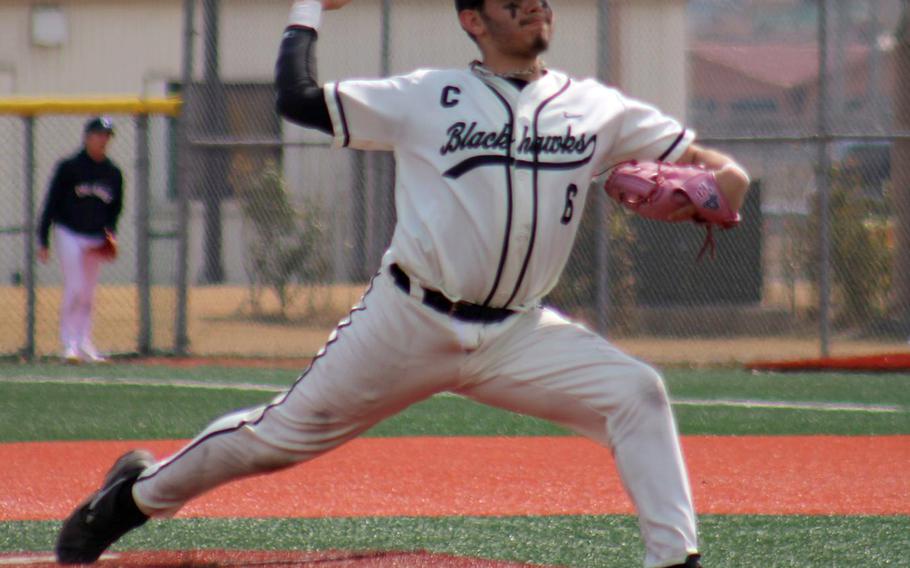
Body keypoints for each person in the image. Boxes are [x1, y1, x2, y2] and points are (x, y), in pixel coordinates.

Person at [56, 1, 750, 566]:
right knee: (275, 439)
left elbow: (709, 166)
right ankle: (128, 502)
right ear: (473, 19)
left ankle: (674, 561)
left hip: (518, 331)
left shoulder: (596, 108)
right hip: (409, 318)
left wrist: (718, 182)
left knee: (637, 393)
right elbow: (297, 100)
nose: (533, 4)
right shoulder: (428, 96)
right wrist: (306, 10)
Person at [38, 116, 123, 364]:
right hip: (69, 233)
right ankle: (69, 344)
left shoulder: (113, 173)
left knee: (87, 293)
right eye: (98, 134)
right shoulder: (69, 168)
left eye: (107, 136)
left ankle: (84, 342)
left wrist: (111, 234)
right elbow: (52, 202)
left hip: (95, 237)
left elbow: (115, 208)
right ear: (87, 137)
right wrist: (43, 239)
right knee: (75, 287)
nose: (103, 140)